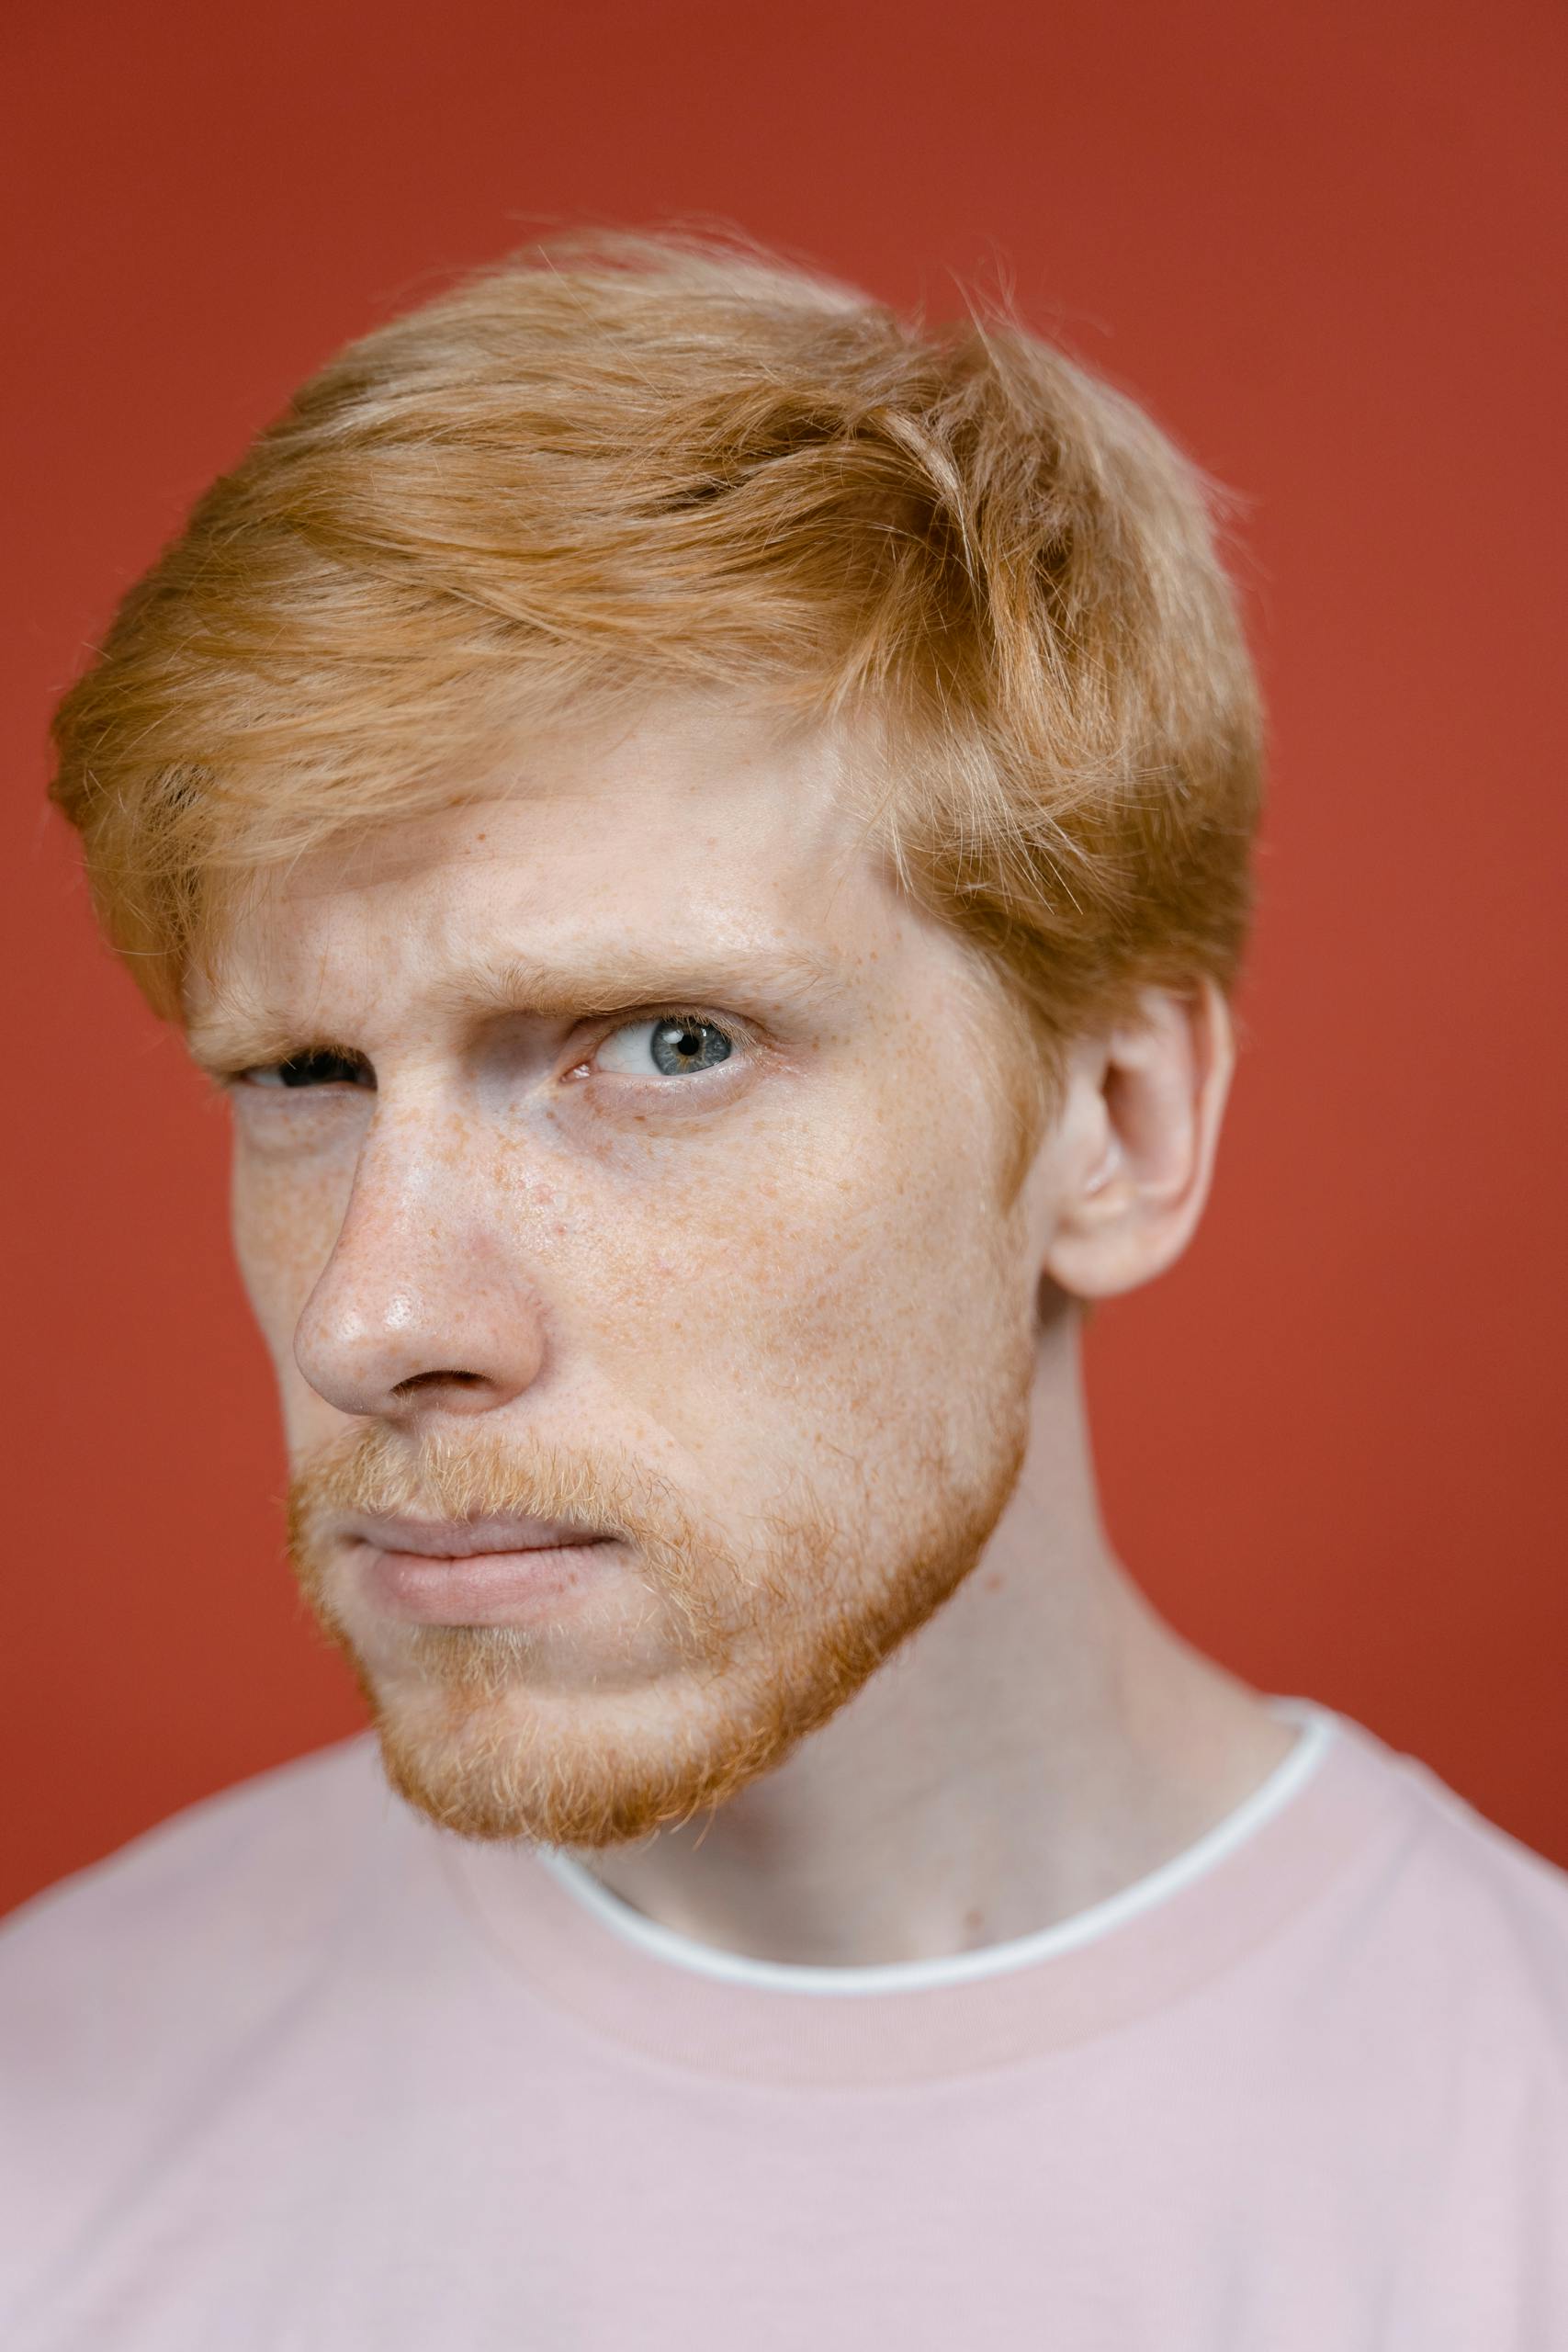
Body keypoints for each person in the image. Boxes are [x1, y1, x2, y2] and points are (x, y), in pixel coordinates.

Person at [5, 232, 1565, 2350]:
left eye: (664, 1045)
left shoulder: (1515, 2173)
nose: (371, 1319)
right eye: (304, 1074)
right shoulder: (48, 2120)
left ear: (1113, 1122)